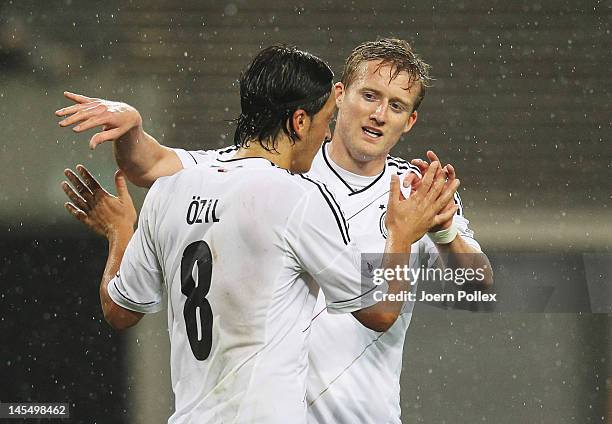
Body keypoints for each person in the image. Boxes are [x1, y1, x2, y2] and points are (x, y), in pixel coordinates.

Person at [60, 45, 459, 424]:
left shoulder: (172, 190)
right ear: (305, 120)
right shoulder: (299, 196)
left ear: (409, 120)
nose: (326, 135)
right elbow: (381, 311)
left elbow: (119, 310)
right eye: (325, 123)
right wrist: (403, 235)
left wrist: (118, 232)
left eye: (396, 105)